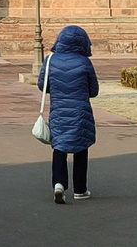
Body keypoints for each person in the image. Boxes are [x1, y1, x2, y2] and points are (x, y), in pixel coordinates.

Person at [37, 25, 99, 204]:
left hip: (58, 110)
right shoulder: (84, 62)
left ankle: (58, 184)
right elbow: (94, 90)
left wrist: (59, 90)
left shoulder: (50, 60)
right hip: (80, 111)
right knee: (81, 147)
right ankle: (80, 189)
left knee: (60, 146)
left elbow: (42, 85)